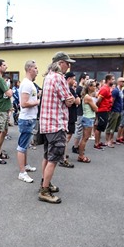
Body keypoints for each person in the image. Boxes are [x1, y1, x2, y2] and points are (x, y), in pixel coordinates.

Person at [38, 52, 75, 203]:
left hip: (46, 124)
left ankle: (45, 182)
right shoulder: (59, 78)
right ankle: (44, 191)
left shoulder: (47, 77)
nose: (69, 66)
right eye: (67, 63)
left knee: (47, 156)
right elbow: (68, 101)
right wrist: (71, 99)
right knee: (53, 159)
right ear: (60, 63)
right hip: (56, 124)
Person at [16, 60, 40, 183]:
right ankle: (22, 172)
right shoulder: (26, 84)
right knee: (22, 146)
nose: (37, 71)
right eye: (35, 68)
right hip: (26, 120)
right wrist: (38, 102)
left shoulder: (30, 84)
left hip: (29, 119)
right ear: (29, 69)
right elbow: (24, 103)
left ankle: (25, 166)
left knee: (25, 146)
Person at [77, 80, 98, 163]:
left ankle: (81, 154)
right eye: (94, 86)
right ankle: (81, 156)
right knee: (85, 138)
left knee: (85, 138)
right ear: (89, 87)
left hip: (88, 118)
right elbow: (96, 108)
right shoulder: (88, 97)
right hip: (88, 118)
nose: (95, 87)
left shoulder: (87, 96)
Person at [94, 74, 114, 151]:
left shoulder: (107, 88)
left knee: (102, 127)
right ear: (108, 80)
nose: (113, 81)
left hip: (106, 110)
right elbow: (98, 100)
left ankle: (98, 142)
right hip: (102, 110)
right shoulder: (104, 89)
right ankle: (96, 144)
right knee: (99, 127)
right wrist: (97, 108)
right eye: (112, 79)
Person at [72, 73, 89, 153]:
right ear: (82, 79)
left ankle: (77, 145)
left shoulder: (83, 88)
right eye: (87, 79)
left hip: (83, 111)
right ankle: (75, 146)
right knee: (78, 129)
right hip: (80, 111)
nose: (87, 81)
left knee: (80, 129)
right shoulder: (79, 88)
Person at [106, 77, 124, 147]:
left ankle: (111, 139)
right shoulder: (115, 91)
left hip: (119, 110)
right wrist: (110, 109)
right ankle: (107, 141)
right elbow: (112, 100)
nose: (123, 83)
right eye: (122, 81)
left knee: (115, 126)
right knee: (111, 126)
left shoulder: (120, 91)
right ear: (118, 82)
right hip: (114, 110)